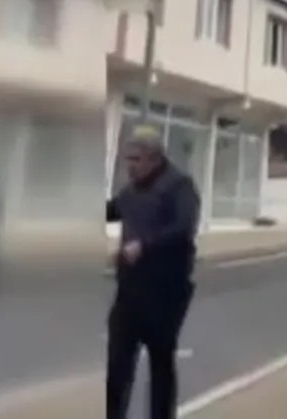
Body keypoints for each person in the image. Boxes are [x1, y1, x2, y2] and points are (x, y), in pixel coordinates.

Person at [106, 125, 201, 419]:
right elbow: (113, 209)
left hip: (165, 292)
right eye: (128, 159)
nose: (130, 166)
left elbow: (183, 228)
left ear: (155, 158)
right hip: (130, 290)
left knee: (160, 363)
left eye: (136, 159)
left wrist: (144, 246)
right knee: (118, 363)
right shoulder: (132, 189)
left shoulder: (180, 186)